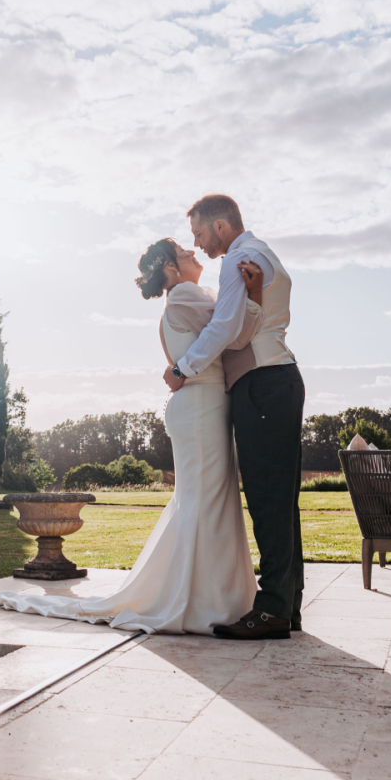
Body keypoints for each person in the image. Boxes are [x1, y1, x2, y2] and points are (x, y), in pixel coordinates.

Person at [0, 240, 265, 633]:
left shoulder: (189, 296)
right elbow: (234, 333)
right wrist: (255, 296)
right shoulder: (186, 296)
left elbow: (229, 330)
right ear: (172, 269)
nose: (194, 252)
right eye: (183, 250)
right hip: (199, 409)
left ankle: (207, 596)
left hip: (201, 406)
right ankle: (202, 601)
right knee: (205, 502)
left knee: (204, 500)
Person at [163, 193, 304, 640]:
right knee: (280, 496)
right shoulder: (262, 253)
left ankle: (273, 609)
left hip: (261, 382)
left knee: (266, 496)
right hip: (277, 378)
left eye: (200, 234)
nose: (200, 244)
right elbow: (244, 319)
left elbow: (225, 327)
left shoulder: (237, 258)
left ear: (221, 227)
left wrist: (182, 368)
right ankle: (287, 605)